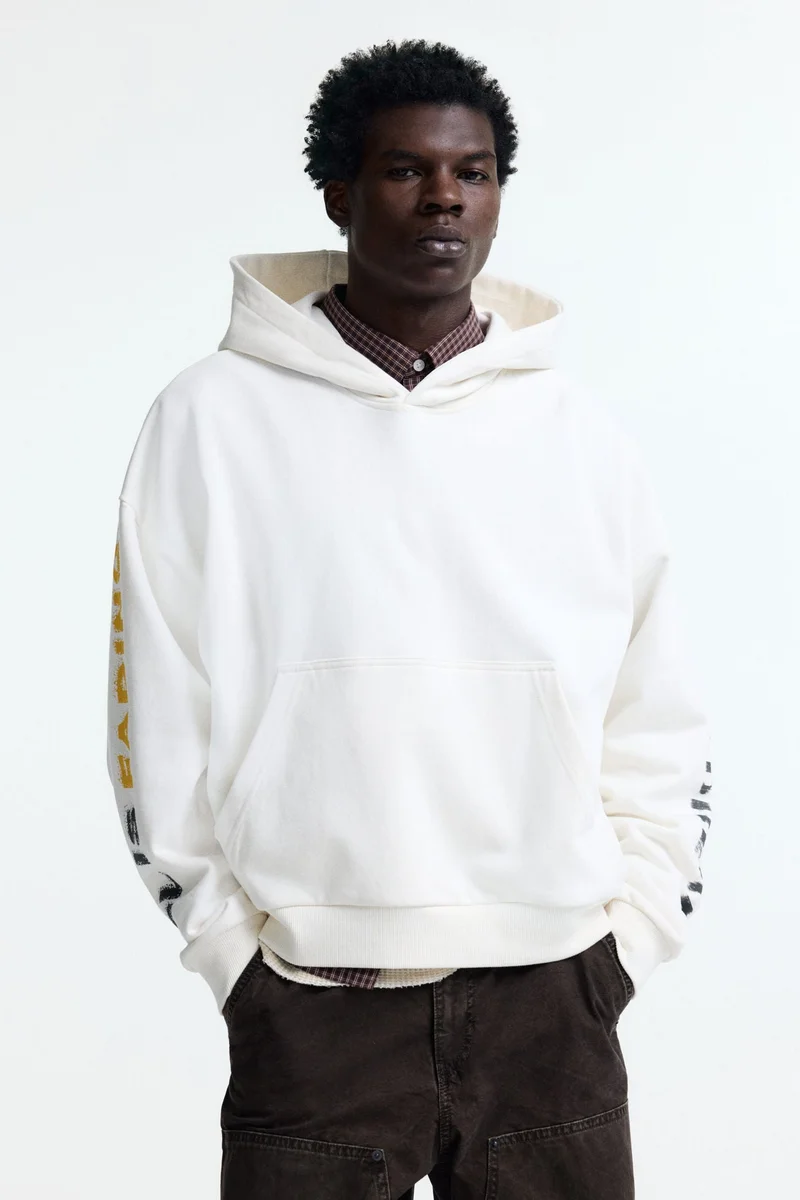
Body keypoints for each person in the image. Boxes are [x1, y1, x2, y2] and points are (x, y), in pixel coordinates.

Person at [106, 37, 713, 1200]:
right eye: (404, 170)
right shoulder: (209, 420)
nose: (444, 198)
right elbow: (153, 703)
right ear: (337, 194)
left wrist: (631, 936)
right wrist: (228, 952)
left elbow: (656, 705)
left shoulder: (580, 435)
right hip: (314, 1006)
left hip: (552, 996)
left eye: (472, 173)